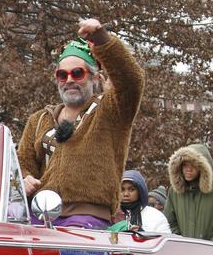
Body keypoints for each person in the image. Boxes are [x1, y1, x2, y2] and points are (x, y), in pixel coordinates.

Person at [17, 18, 145, 228]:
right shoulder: (39, 119)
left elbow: (131, 81)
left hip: (87, 219)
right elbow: (22, 163)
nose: (69, 80)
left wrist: (101, 37)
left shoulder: (110, 111)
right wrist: (26, 179)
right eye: (62, 74)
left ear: (95, 78)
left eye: (77, 73)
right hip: (37, 217)